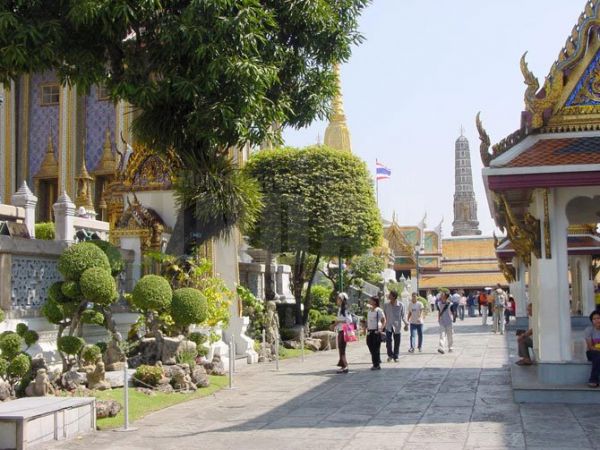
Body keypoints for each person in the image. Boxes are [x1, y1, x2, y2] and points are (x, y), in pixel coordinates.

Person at [383, 290, 408, 362]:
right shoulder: (386, 305)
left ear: (394, 297)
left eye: (390, 295)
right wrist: (383, 325)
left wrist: (406, 324)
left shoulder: (401, 305)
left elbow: (403, 316)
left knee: (397, 342)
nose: (388, 296)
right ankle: (390, 355)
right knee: (388, 342)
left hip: (397, 326)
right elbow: (384, 315)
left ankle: (396, 356)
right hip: (388, 326)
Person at [334, 292, 352, 374]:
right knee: (341, 348)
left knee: (342, 348)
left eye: (338, 298)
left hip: (344, 331)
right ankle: (342, 365)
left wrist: (338, 321)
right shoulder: (340, 309)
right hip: (340, 330)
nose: (337, 300)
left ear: (342, 300)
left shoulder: (345, 309)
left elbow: (349, 320)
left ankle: (345, 366)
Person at [366, 295, 386, 370]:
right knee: (369, 345)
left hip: (376, 331)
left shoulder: (378, 310)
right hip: (369, 331)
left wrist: (381, 329)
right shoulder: (369, 310)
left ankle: (376, 365)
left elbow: (384, 320)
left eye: (371, 300)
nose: (369, 301)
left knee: (376, 348)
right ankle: (377, 360)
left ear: (374, 302)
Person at [584, 310, 600, 388]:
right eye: (594, 319)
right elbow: (590, 347)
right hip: (591, 352)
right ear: (592, 321)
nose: (596, 320)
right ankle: (593, 380)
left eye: (598, 318)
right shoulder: (589, 330)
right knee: (597, 355)